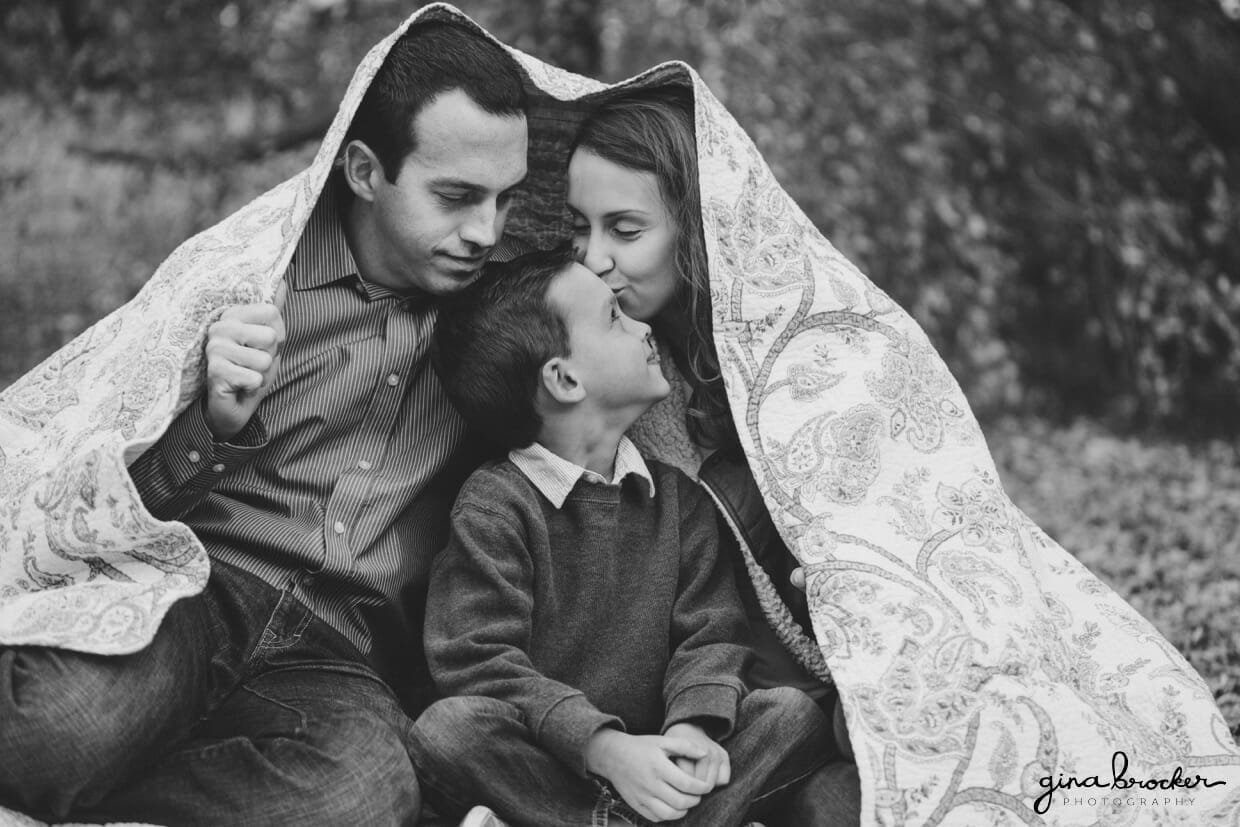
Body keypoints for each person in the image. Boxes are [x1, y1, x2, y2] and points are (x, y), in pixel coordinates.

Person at [0, 20, 527, 825]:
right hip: (190, 592)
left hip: (334, 651)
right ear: (364, 171)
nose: (486, 232)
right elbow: (99, 489)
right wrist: (212, 420)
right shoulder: (249, 281)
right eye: (456, 197)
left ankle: (115, 807)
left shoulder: (498, 321)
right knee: (54, 723)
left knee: (366, 796)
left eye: (505, 198)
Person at [413, 247, 849, 827]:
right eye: (614, 318)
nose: (643, 328)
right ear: (564, 379)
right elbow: (476, 661)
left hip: (661, 758)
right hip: (554, 760)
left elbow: (712, 631)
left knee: (791, 716)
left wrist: (692, 729)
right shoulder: (496, 505)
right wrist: (604, 749)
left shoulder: (677, 500)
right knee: (449, 731)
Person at [565, 85, 857, 767]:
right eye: (579, 226)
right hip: (707, 699)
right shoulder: (601, 367)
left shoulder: (790, 355)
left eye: (625, 230)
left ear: (694, 229)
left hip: (827, 676)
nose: (592, 256)